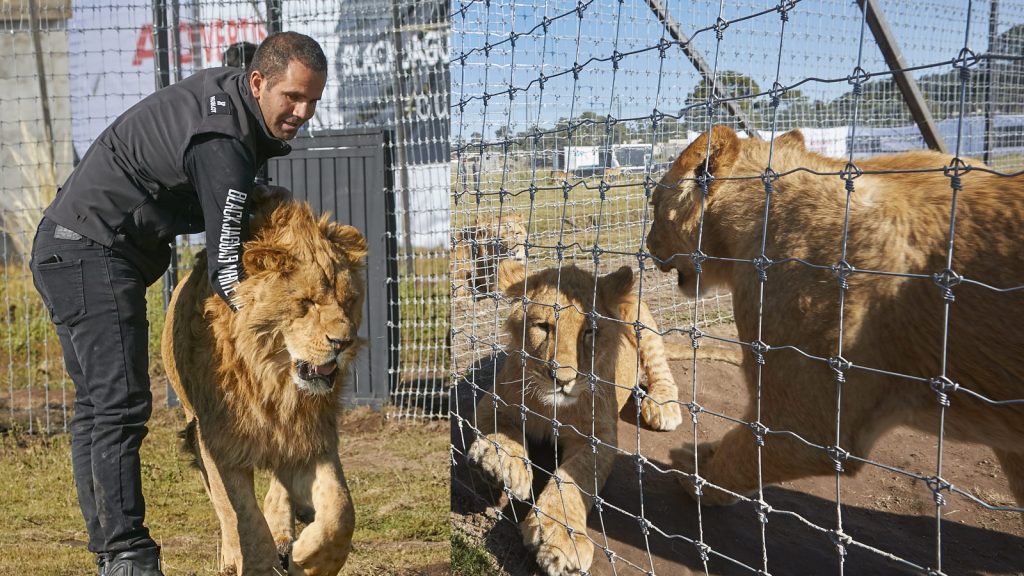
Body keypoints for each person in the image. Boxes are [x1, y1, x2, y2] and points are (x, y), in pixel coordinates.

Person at [29, 31, 327, 575]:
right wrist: (278, 340)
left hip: (74, 247)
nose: (303, 112)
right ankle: (125, 557)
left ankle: (114, 552)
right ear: (258, 83)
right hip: (87, 252)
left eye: (313, 101)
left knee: (100, 409)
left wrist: (263, 197)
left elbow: (218, 200)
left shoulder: (230, 111)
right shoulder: (224, 140)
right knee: (117, 405)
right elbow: (227, 266)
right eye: (293, 98)